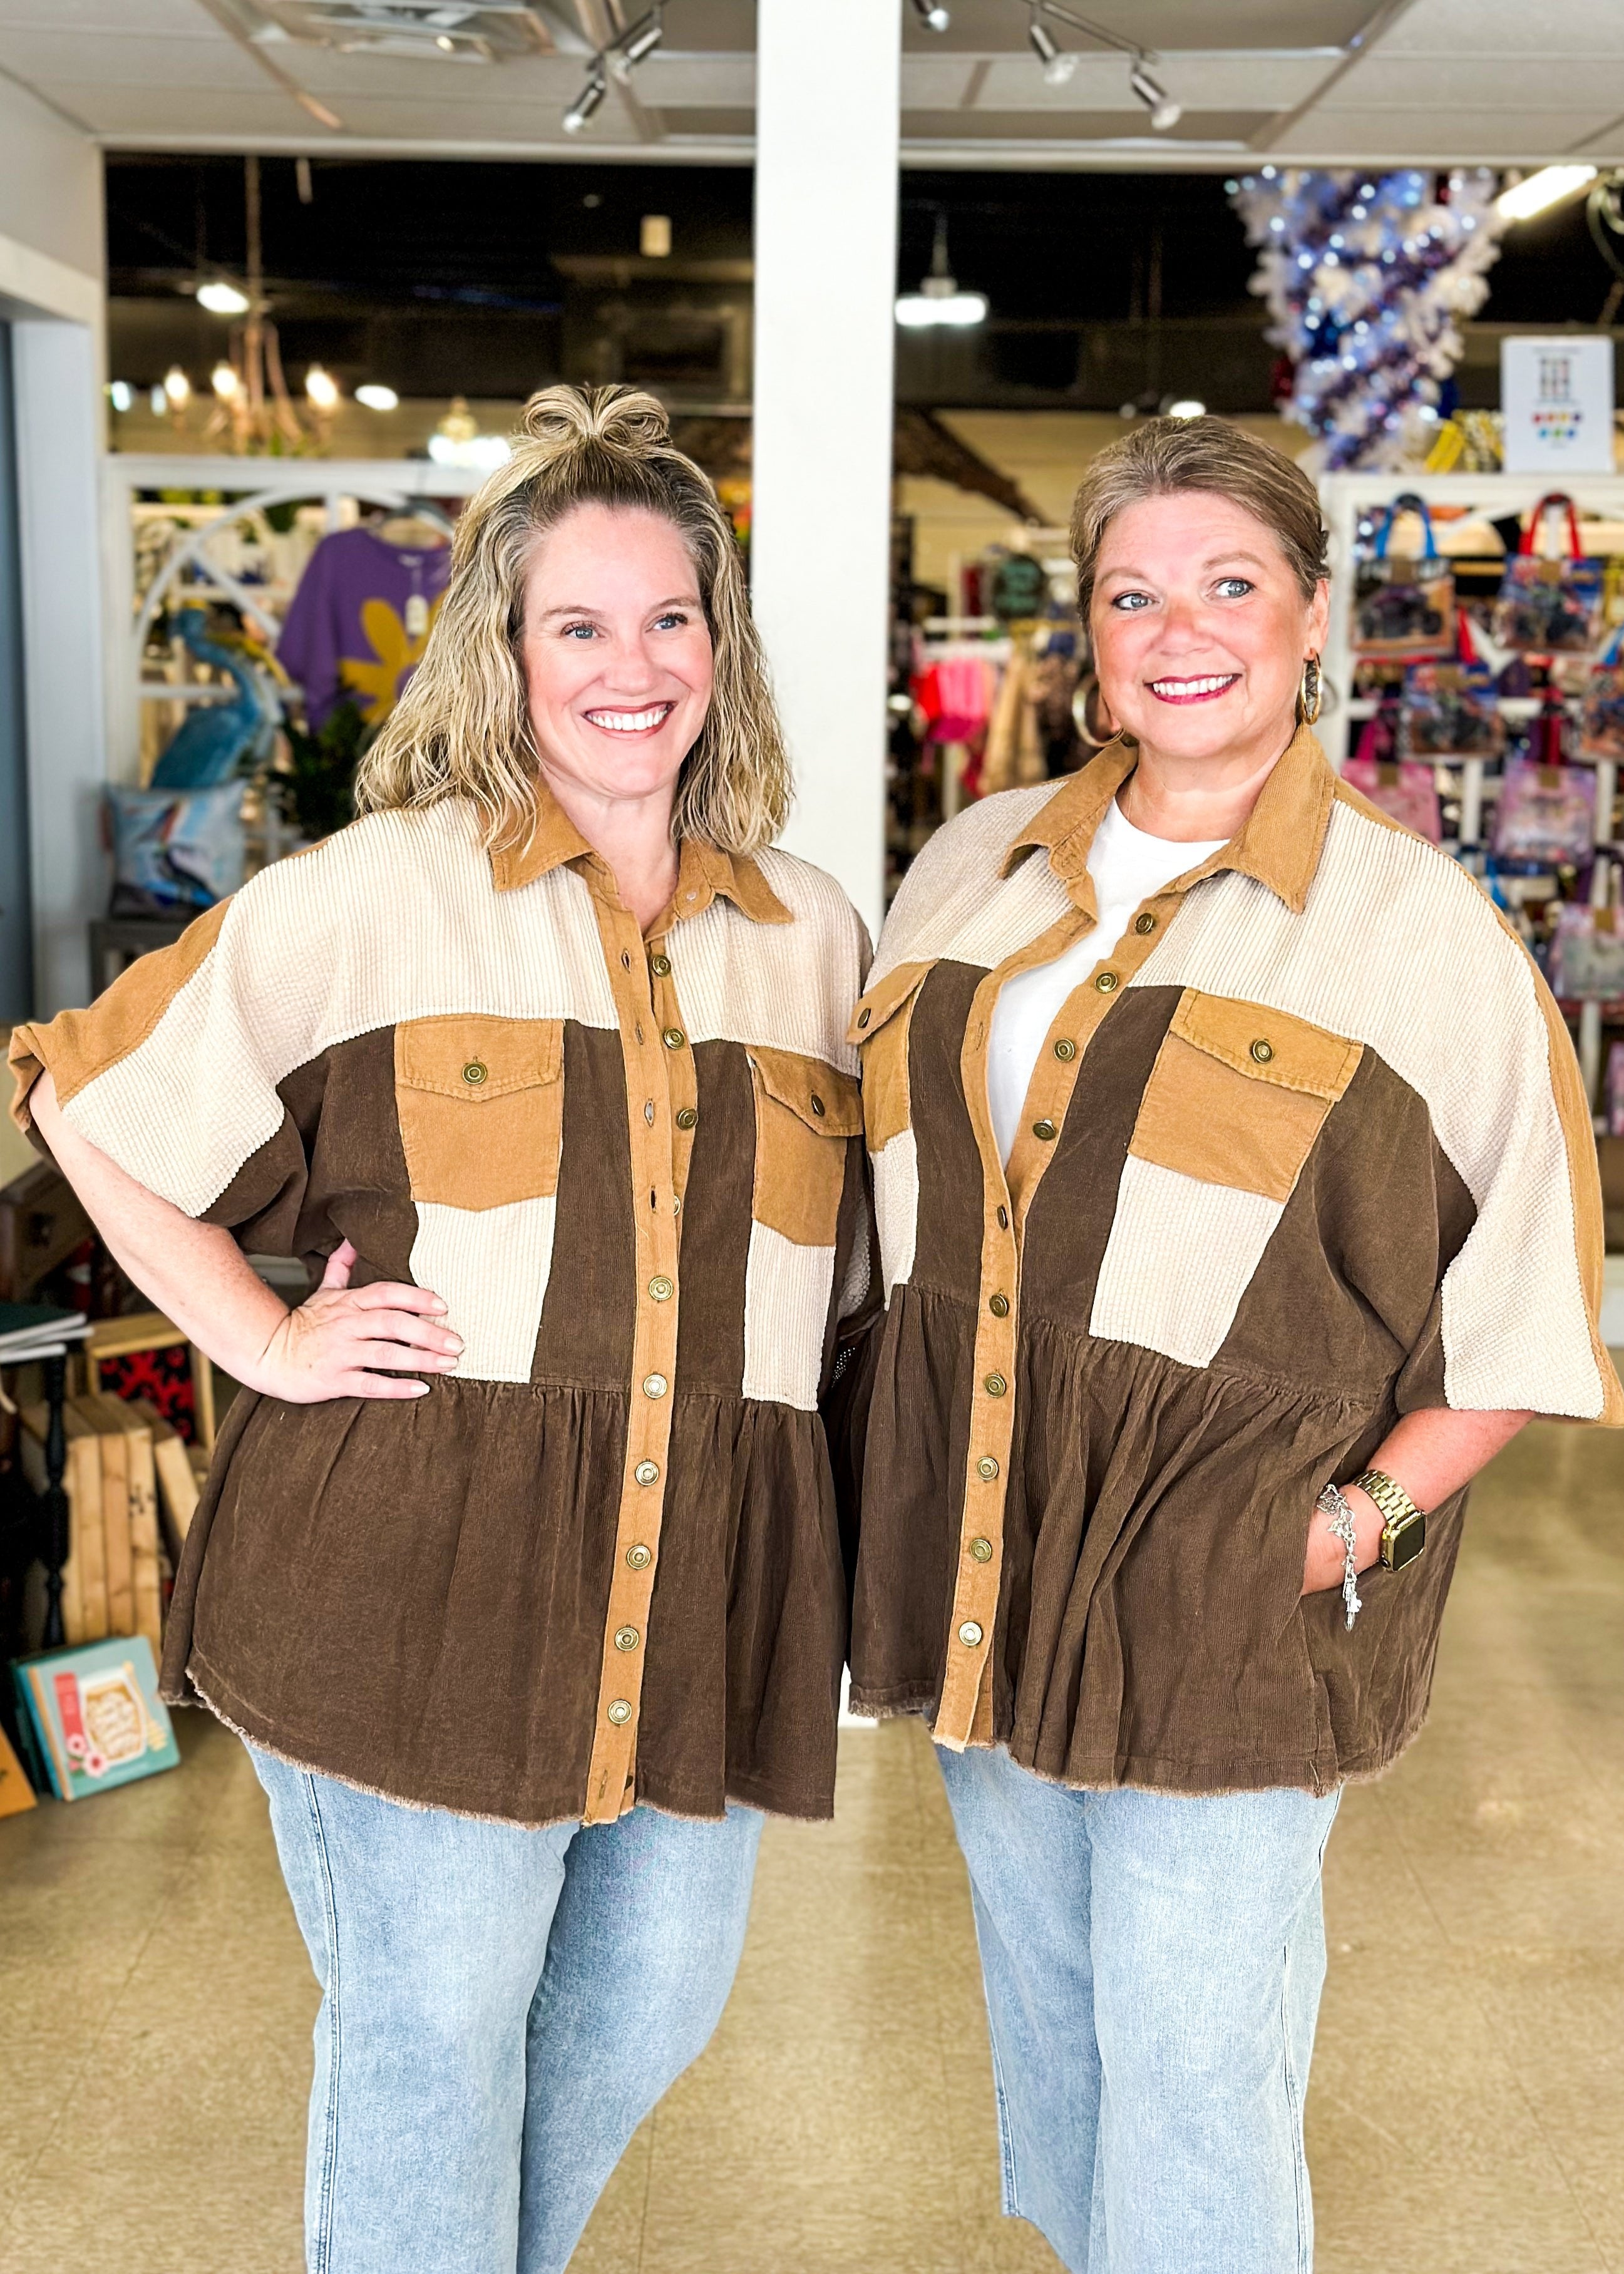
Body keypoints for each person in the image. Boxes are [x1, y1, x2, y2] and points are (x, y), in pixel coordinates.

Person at [11, 385, 871, 2274]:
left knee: (642, 2011)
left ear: (719, 652)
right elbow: (82, 1088)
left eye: (668, 621)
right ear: (503, 647)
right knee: (430, 2048)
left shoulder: (812, 936)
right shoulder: (372, 895)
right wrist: (256, 1338)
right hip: (417, 1577)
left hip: (694, 1594)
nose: (628, 667)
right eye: (578, 624)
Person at [843, 415, 1621, 2272]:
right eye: (1131, 592)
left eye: (1226, 583)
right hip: (982, 1560)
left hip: (1226, 1597)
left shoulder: (1414, 936)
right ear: (1084, 633)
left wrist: (1339, 1535)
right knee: (1053, 2032)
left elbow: (1520, 1317)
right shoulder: (968, 862)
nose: (1176, 630)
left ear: (1306, 617)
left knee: (1195, 2068)